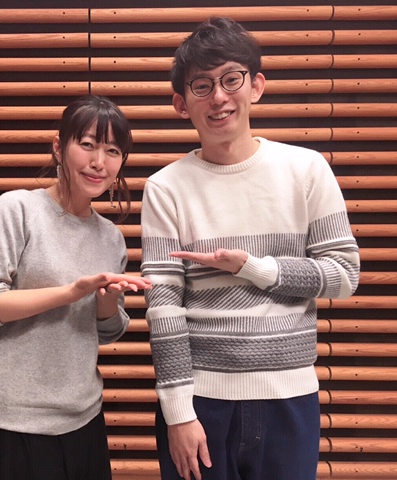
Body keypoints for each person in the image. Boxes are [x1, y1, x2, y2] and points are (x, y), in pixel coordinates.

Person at [140, 17, 360, 480]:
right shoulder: (165, 188)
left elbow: (344, 276)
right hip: (201, 404)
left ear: (256, 86)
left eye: (231, 79)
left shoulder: (307, 170)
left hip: (289, 398)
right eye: (202, 85)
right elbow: (164, 307)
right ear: (181, 104)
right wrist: (178, 412)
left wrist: (255, 268)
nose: (218, 97)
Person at [0, 95, 152, 480]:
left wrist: (107, 303)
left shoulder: (111, 238)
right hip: (6, 422)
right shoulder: (18, 210)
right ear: (59, 147)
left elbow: (106, 332)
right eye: (88, 144)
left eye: (113, 151)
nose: (99, 162)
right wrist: (70, 292)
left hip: (83, 420)